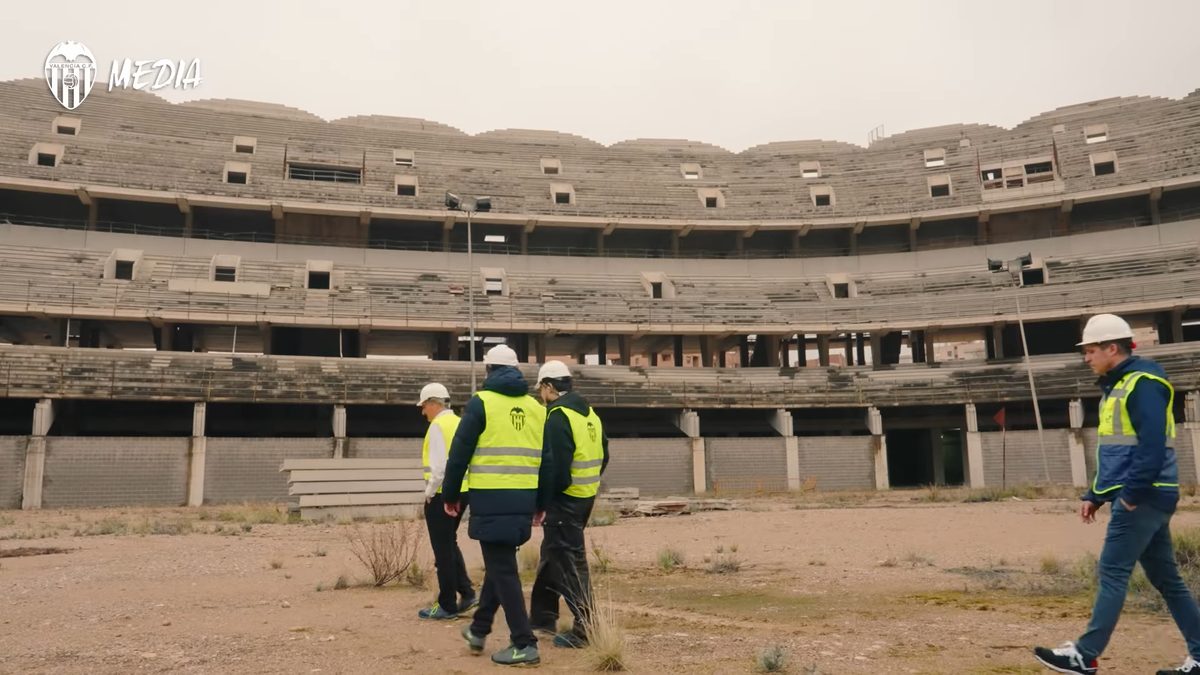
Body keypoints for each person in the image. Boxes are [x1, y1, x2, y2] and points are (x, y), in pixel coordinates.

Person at [1034, 314, 1200, 675]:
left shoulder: (1142, 383)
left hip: (1142, 497)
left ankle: (1085, 654)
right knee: (1167, 580)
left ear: (1113, 348)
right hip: (1145, 495)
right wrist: (1095, 493)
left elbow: (1152, 445)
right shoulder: (1120, 385)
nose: (1086, 357)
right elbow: (1116, 451)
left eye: (1091, 350)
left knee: (1112, 573)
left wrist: (1130, 495)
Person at [442, 344, 547, 666]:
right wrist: (540, 503)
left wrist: (450, 495)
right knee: (500, 566)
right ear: (517, 370)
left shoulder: (481, 403)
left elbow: (459, 453)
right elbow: (548, 461)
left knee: (503, 569)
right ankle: (479, 627)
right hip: (525, 497)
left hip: (491, 498)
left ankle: (523, 642)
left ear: (488, 370)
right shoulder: (536, 407)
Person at [529, 360, 610, 649]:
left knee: (570, 563)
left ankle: (586, 628)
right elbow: (605, 455)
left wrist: (544, 501)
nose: (540, 394)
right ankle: (541, 617)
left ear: (549, 386)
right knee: (552, 553)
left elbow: (555, 469)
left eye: (541, 388)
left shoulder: (558, 416)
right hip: (585, 497)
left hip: (565, 501)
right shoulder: (590, 415)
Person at [415, 382, 476, 620]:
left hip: (442, 494)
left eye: (424, 406)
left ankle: (447, 604)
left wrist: (429, 493)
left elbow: (439, 468)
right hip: (464, 491)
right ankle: (468, 594)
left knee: (442, 550)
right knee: (450, 544)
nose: (423, 412)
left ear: (433, 403)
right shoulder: (459, 423)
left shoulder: (438, 426)